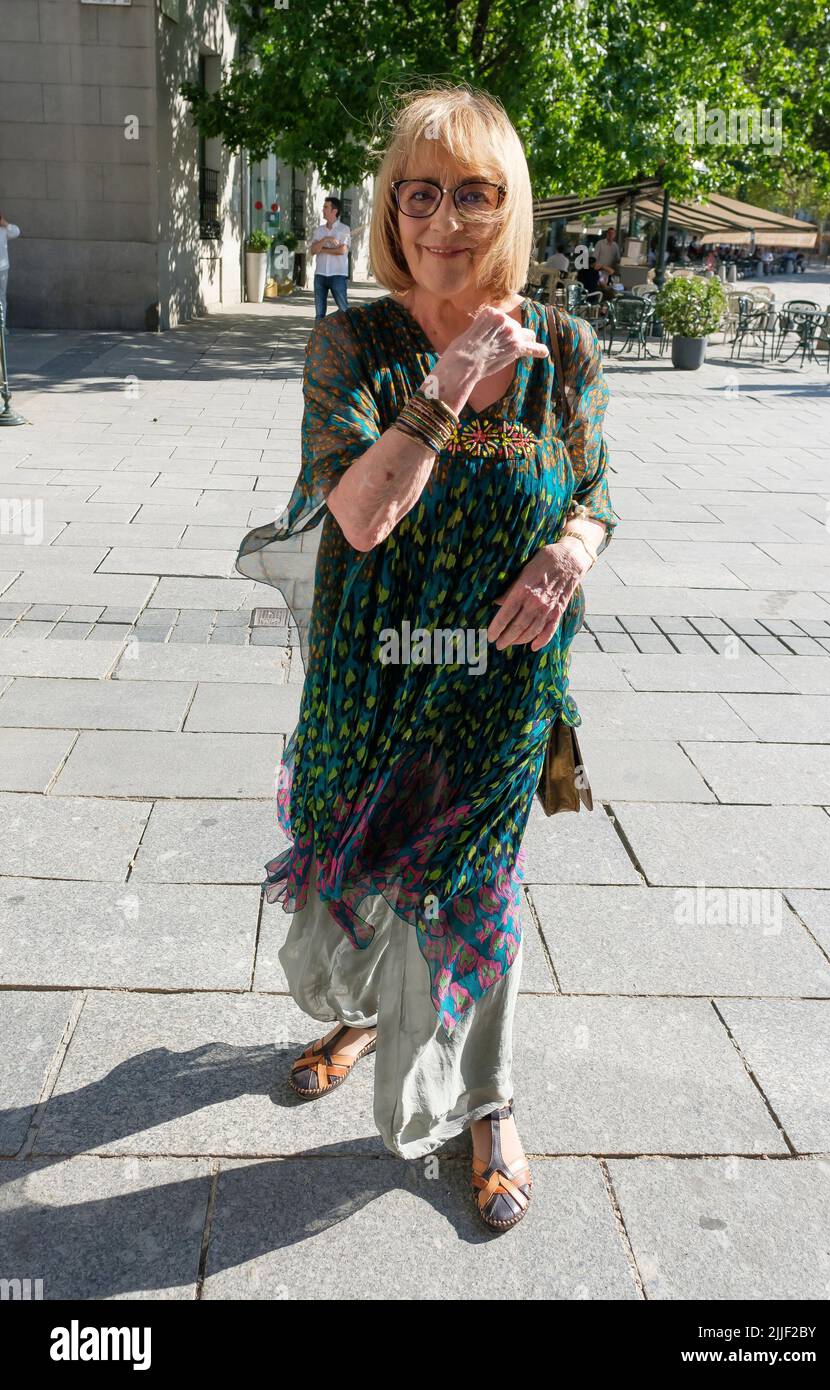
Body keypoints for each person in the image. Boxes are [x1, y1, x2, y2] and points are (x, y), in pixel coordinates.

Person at [234, 82, 617, 1233]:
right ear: (389, 207)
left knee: (478, 890)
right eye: (419, 193)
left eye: (472, 194)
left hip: (501, 688)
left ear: (508, 207)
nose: (443, 220)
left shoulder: (563, 348)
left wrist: (568, 551)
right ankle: (359, 1013)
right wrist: (446, 390)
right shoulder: (349, 343)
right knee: (349, 880)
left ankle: (488, 1101)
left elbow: (596, 490)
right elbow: (359, 517)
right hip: (373, 673)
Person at [310, 195, 351, 319]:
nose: (323, 209)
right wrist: (326, 239)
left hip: (337, 275)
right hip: (320, 275)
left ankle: (348, 336)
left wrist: (321, 249)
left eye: (325, 207)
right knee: (319, 314)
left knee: (344, 310)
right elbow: (313, 250)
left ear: (334, 211)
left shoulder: (344, 229)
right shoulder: (319, 231)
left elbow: (342, 250)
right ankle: (318, 338)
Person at [0, 210, 21, 328]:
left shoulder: (3, 230)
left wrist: (5, 223)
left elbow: (16, 232)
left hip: (2, 268)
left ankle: (2, 326)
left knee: (1, 296)